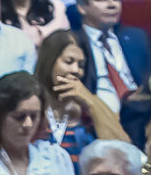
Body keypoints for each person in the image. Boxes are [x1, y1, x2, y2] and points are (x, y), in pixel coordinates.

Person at [36, 32, 132, 160]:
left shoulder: (89, 107)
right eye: (68, 62)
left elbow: (125, 152)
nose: (76, 70)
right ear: (49, 62)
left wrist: (91, 102)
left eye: (81, 65)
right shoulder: (31, 104)